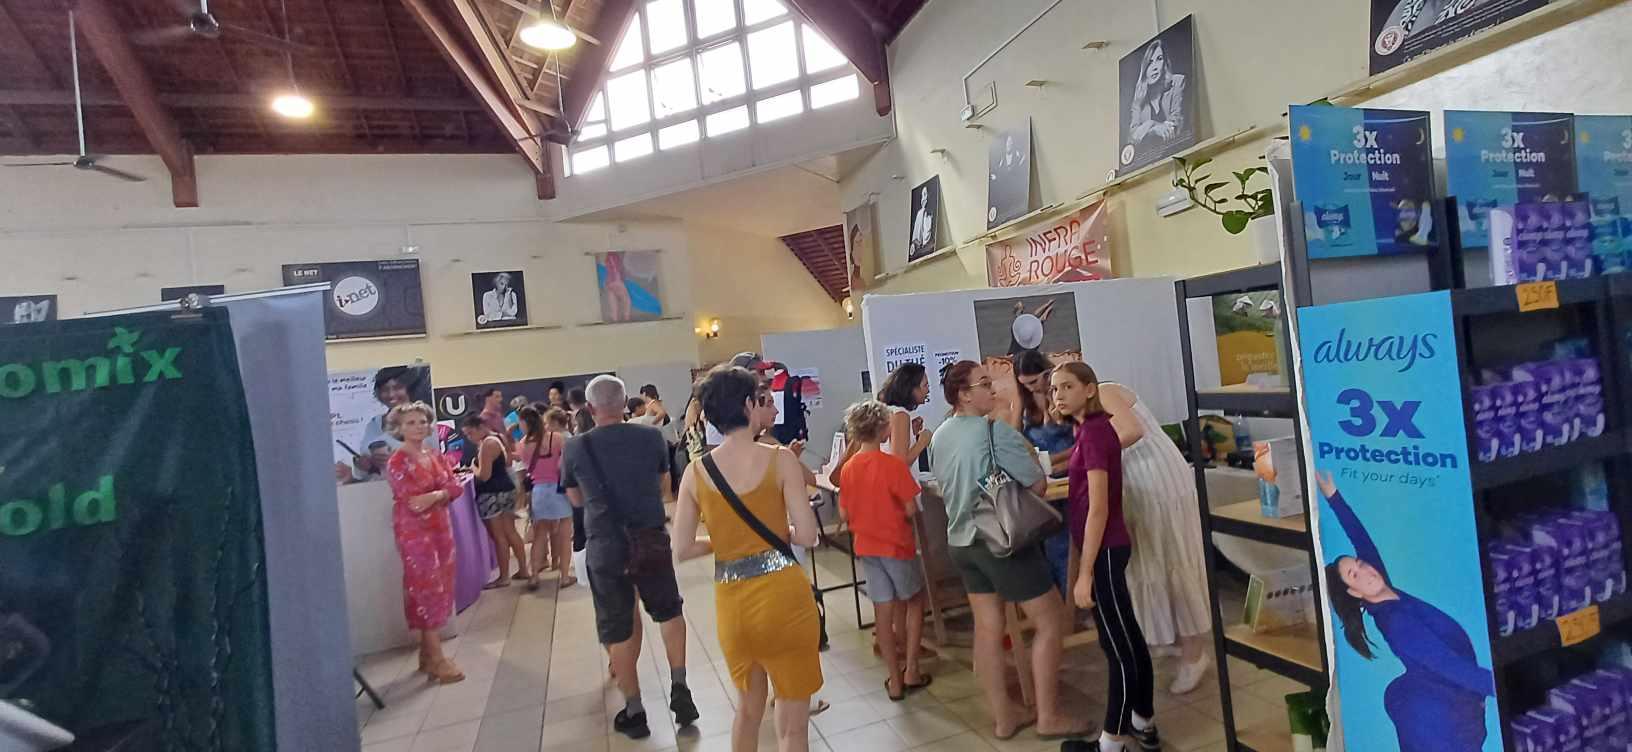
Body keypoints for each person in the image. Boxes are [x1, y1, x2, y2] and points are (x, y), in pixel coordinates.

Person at [673, 366, 822, 752]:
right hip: (784, 599)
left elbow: (682, 548)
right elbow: (807, 535)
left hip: (733, 603)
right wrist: (778, 536)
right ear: (746, 405)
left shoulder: (695, 472)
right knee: (793, 726)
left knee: (747, 710)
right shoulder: (779, 459)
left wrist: (725, 542)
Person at [929, 361, 1081, 741]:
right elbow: (1038, 485)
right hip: (1002, 540)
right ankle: (1049, 716)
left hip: (963, 541)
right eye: (984, 384)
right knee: (1049, 621)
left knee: (988, 628)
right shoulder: (995, 433)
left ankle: (1004, 717)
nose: (992, 390)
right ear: (963, 394)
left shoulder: (941, 434)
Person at [562, 375, 698, 740]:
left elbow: (574, 499)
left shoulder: (575, 447)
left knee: (618, 624)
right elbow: (663, 487)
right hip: (649, 537)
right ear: (625, 404)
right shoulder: (650, 437)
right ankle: (681, 686)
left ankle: (635, 709)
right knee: (669, 611)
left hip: (605, 544)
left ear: (590, 409)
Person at [1321, 470, 1494, 751]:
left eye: (1360, 563)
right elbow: (1450, 666)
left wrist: (1334, 497)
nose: (1365, 569)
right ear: (1355, 593)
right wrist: (1500, 682)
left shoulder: (1382, 588)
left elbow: (1362, 541)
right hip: (1451, 700)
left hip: (1442, 689)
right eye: (1354, 575)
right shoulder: (1397, 623)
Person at [1053, 362, 1159, 752]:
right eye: (1054, 389)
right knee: (1127, 636)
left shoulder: (1097, 433)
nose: (1058, 395)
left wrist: (1084, 574)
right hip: (1107, 548)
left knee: (1117, 648)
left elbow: (1099, 508)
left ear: (1089, 388)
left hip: (1107, 551)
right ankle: (1143, 722)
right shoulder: (1088, 430)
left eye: (1066, 386)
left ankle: (1112, 742)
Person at [1097, 380, 1213, 694]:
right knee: (1149, 561)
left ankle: (1195, 653)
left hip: (1157, 478)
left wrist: (1088, 454)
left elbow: (1131, 431)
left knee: (1175, 559)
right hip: (1138, 481)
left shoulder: (1103, 391)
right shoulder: (1081, 406)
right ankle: (1174, 635)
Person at [837, 400, 929, 701]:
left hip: (866, 546)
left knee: (883, 611)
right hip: (896, 545)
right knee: (915, 601)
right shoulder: (893, 466)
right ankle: (912, 668)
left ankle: (893, 678)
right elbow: (910, 508)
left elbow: (844, 513)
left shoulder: (849, 469)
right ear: (883, 429)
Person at [383, 401, 466, 685]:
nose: (418, 427)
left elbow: (455, 487)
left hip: (441, 528)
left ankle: (426, 655)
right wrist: (440, 494)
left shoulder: (434, 454)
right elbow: (412, 501)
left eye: (421, 421)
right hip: (414, 533)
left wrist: (435, 495)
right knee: (425, 588)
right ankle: (438, 659)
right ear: (398, 428)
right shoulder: (397, 461)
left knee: (442, 584)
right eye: (410, 423)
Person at [999, 351, 1077, 596]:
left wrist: (1054, 461)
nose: (1032, 388)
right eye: (1025, 384)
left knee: (1064, 543)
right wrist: (1020, 401)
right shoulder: (1026, 400)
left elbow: (1085, 440)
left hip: (1069, 470)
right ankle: (1062, 603)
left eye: (1034, 382)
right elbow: (1012, 436)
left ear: (1047, 372)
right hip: (1043, 477)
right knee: (1044, 542)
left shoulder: (1065, 394)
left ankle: (1075, 605)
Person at [462, 415, 530, 588]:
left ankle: (504, 576)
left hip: (492, 493)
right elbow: (507, 461)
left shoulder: (487, 444)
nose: (469, 438)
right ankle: (523, 569)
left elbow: (484, 475)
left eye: (470, 433)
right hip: (505, 489)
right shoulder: (497, 438)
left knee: (499, 536)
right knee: (510, 532)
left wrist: (473, 468)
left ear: (479, 427)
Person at [520, 407, 575, 589]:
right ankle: (565, 576)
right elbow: (566, 463)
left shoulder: (522, 444)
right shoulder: (556, 438)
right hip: (559, 489)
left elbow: (526, 469)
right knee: (564, 534)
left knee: (539, 535)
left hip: (538, 491)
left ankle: (534, 575)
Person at [339, 366, 422, 482]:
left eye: (397, 388)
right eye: (384, 389)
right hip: (376, 493)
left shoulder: (425, 421)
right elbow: (362, 474)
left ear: (409, 388)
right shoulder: (374, 424)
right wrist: (361, 466)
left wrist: (398, 462)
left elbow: (436, 466)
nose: (391, 394)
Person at [1129, 38, 1186, 148]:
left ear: (1165, 63)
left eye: (1159, 59)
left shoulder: (1178, 82)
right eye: (1150, 63)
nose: (1154, 67)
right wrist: (1152, 126)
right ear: (1145, 69)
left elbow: (1177, 125)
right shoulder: (1139, 98)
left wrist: (1147, 128)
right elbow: (1132, 138)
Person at [876, 362, 932, 467]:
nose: (928, 390)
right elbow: (899, 464)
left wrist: (911, 432)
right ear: (911, 388)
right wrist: (921, 443)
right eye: (925, 385)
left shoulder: (890, 411)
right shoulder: (900, 415)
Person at [478, 388, 515, 453]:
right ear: (488, 399)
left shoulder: (498, 414)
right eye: (497, 397)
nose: (500, 400)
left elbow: (503, 435)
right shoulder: (483, 418)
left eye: (501, 397)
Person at [600, 252, 633, 322]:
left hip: (612, 280)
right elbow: (616, 269)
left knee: (613, 295)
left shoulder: (611, 257)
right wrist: (619, 279)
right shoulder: (613, 256)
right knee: (626, 298)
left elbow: (615, 268)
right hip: (616, 280)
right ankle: (625, 316)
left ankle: (615, 316)